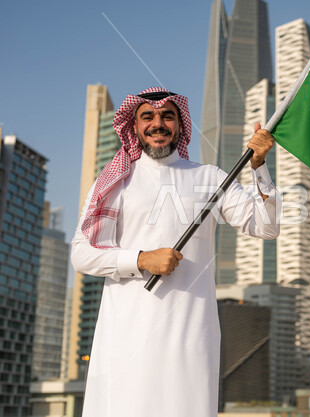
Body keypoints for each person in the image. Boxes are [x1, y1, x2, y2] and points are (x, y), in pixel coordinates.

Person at [71, 87, 281, 417]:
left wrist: (259, 168)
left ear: (181, 126)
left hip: (190, 338)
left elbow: (266, 227)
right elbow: (81, 254)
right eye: (148, 117)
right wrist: (140, 259)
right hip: (126, 337)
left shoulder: (210, 178)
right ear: (134, 126)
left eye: (168, 116)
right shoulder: (116, 182)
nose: (158, 123)